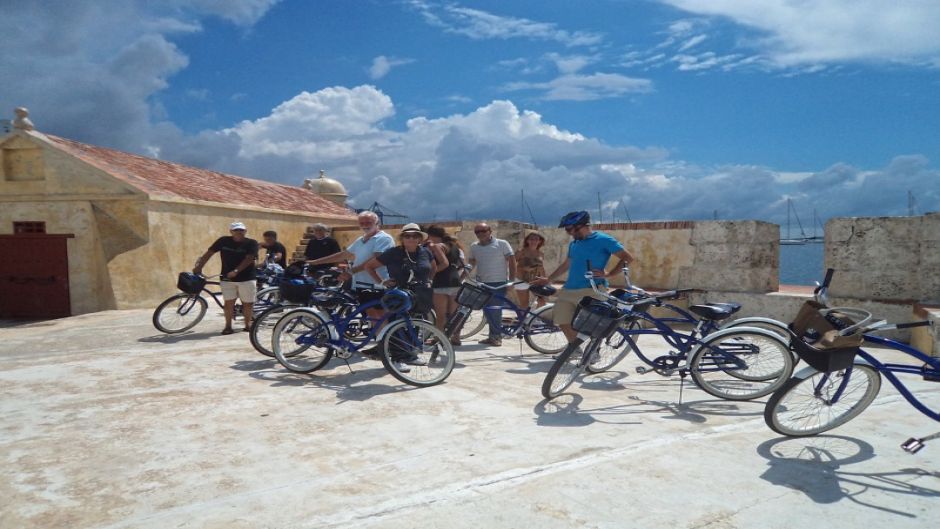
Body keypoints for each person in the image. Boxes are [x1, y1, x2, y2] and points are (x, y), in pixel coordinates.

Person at [532, 211, 634, 348]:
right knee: (562, 321)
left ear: (580, 226)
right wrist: (549, 280)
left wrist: (609, 274)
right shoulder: (574, 243)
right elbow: (567, 264)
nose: (569, 233)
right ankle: (575, 350)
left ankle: (593, 352)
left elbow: (627, 257)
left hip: (592, 289)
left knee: (593, 325)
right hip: (569, 289)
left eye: (569, 229)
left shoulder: (603, 240)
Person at [306, 211, 394, 356]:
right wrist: (316, 262)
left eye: (368, 222)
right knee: (372, 315)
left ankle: (386, 347)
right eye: (362, 223)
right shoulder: (361, 240)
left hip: (377, 283)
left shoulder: (383, 238)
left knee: (380, 316)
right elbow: (344, 254)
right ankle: (381, 345)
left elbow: (374, 261)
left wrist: (351, 271)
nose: (365, 225)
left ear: (377, 223)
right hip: (361, 283)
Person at [365, 223, 448, 370]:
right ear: (402, 238)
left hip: (419, 294)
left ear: (420, 238)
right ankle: (397, 359)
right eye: (407, 236)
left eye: (415, 236)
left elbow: (433, 267)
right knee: (397, 326)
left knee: (414, 325)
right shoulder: (393, 252)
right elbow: (369, 267)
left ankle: (409, 355)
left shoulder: (425, 252)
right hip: (398, 295)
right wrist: (382, 281)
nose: (411, 238)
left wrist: (429, 280)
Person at [193, 221, 260, 335]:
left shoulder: (251, 243)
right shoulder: (223, 241)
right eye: (236, 230)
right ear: (231, 232)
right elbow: (209, 253)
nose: (239, 232)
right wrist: (199, 267)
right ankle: (228, 326)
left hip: (247, 278)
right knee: (228, 303)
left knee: (247, 303)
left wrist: (236, 271)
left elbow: (249, 258)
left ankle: (247, 325)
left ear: (245, 231)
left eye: (241, 230)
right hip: (227, 278)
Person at [468, 223, 517, 347]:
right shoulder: (474, 246)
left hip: (498, 283)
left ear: (490, 231)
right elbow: (472, 262)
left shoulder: (502, 244)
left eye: (483, 230)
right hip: (482, 283)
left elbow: (512, 262)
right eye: (477, 232)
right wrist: (463, 275)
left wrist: (511, 281)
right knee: (487, 311)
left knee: (495, 311)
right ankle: (492, 336)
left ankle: (496, 337)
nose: (480, 233)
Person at [426, 225, 464, 343]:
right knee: (454, 314)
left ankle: (439, 338)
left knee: (440, 316)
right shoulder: (454, 246)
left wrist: (431, 273)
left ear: (430, 235)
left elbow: (444, 264)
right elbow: (460, 264)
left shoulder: (437, 246)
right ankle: (456, 337)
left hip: (441, 282)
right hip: (455, 281)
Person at [515, 231, 547, 310]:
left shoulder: (541, 254)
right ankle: (523, 317)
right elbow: (511, 265)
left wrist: (545, 279)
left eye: (536, 239)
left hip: (535, 280)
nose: (534, 241)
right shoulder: (521, 252)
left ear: (540, 241)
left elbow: (541, 268)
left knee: (542, 301)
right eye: (531, 239)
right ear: (527, 241)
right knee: (524, 304)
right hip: (521, 280)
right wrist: (522, 268)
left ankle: (535, 316)